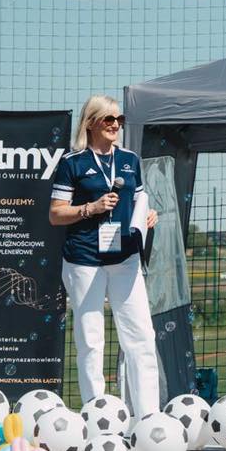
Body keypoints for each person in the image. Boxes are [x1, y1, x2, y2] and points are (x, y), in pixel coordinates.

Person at [48, 95, 160, 417]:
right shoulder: (73, 162)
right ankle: (96, 414)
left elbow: (139, 200)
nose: (115, 125)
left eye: (119, 120)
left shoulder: (129, 159)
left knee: (141, 336)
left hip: (125, 258)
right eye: (108, 119)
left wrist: (148, 214)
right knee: (91, 340)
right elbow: (55, 214)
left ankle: (148, 415)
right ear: (91, 123)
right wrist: (91, 208)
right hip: (84, 260)